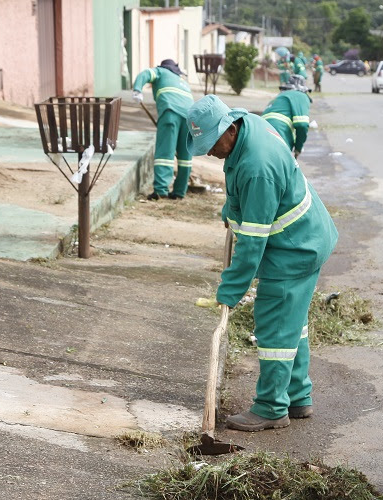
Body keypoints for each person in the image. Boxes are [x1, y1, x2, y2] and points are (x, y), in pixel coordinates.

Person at [186, 95, 338, 432]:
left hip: (295, 249)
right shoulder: (250, 126)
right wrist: (231, 212)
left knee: (275, 327)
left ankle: (271, 407)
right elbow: (239, 189)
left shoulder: (258, 168)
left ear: (229, 129)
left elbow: (252, 243)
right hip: (308, 236)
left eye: (211, 144)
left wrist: (230, 290)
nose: (209, 153)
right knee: (292, 324)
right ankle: (297, 396)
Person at [132, 59, 194, 200]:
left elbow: (145, 74)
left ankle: (160, 190)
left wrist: (137, 89)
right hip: (190, 118)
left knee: (165, 152)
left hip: (170, 113)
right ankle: (179, 192)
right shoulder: (183, 81)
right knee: (185, 157)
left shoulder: (161, 71)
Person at [262, 74, 312, 158]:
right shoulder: (301, 95)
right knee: (279, 163)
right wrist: (298, 148)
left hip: (258, 129)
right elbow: (302, 124)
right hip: (279, 130)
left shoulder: (280, 97)